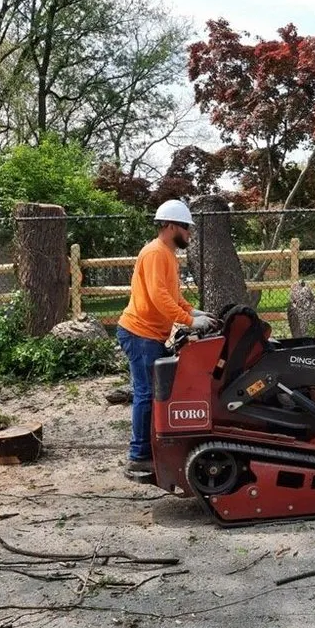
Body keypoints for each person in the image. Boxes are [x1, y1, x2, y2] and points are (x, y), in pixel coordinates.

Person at [117, 199, 214, 476]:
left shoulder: (167, 254)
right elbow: (159, 298)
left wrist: (193, 311)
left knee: (157, 393)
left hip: (150, 334)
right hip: (140, 333)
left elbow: (173, 296)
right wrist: (189, 321)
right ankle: (138, 456)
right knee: (147, 394)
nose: (189, 233)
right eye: (186, 228)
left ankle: (153, 447)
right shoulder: (155, 253)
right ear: (171, 225)